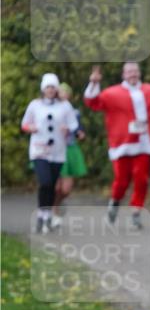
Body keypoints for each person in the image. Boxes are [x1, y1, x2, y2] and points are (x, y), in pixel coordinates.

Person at [84, 60, 150, 228]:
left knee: (141, 179)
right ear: (123, 75)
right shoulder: (112, 93)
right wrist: (94, 82)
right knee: (121, 180)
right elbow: (92, 103)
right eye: (129, 72)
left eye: (135, 71)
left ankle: (136, 212)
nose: (132, 74)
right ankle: (114, 203)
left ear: (140, 73)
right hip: (122, 144)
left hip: (144, 144)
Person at [22, 73, 79, 233]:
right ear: (43, 88)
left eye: (53, 87)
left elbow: (74, 126)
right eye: (48, 87)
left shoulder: (65, 106)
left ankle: (47, 216)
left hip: (58, 151)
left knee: (52, 185)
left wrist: (68, 130)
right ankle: (42, 213)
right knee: (45, 182)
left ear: (57, 89)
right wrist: (30, 128)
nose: (50, 90)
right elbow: (25, 124)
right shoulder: (35, 105)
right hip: (39, 150)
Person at [53, 82, 88, 227]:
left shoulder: (75, 113)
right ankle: (52, 211)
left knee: (65, 189)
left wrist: (80, 134)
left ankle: (58, 203)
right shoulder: (49, 110)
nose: (63, 94)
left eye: (66, 92)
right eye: (60, 91)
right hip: (53, 150)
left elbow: (80, 132)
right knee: (55, 187)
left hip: (70, 150)